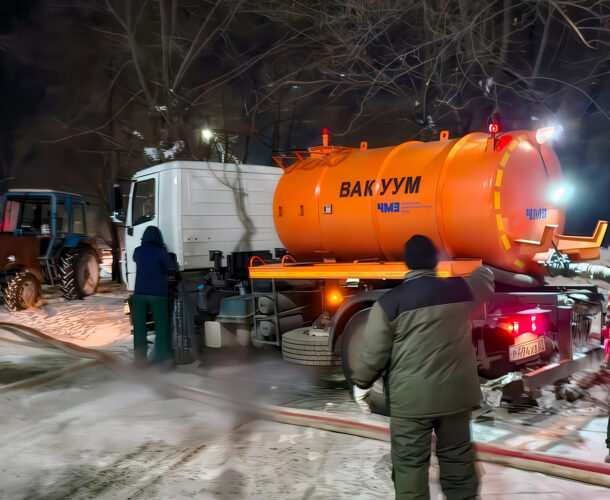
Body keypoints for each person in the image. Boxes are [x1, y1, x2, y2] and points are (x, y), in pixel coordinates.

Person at [351, 235, 494, 499]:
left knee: (410, 467)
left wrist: (362, 384)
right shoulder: (461, 289)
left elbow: (373, 352)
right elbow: (485, 281)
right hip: (456, 398)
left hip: (411, 404)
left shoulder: (389, 303)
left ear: (407, 264)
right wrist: (484, 268)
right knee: (459, 462)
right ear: (434, 262)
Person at [130, 226, 177, 368]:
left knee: (139, 329)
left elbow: (135, 259)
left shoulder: (138, 251)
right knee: (161, 326)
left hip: (138, 295)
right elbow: (172, 268)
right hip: (158, 295)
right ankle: (162, 357)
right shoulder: (160, 251)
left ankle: (139, 360)